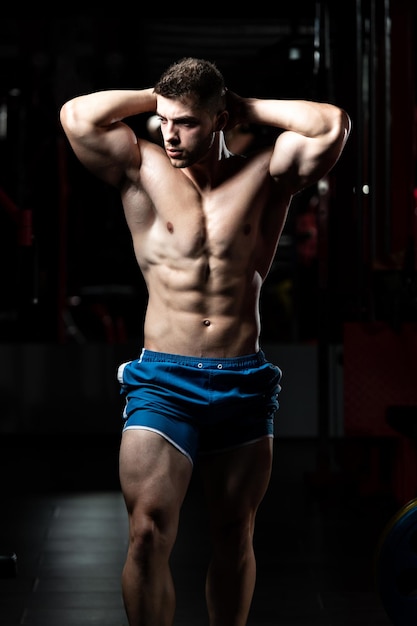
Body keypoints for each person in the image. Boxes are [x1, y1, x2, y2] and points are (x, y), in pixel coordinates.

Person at [59, 56, 351, 626]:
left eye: (187, 122)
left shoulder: (266, 173)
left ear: (219, 119)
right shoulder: (140, 168)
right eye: (164, 120)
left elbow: (332, 125)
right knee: (145, 533)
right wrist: (159, 95)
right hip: (162, 381)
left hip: (242, 380)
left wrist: (245, 107)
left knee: (233, 534)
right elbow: (77, 117)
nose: (169, 134)